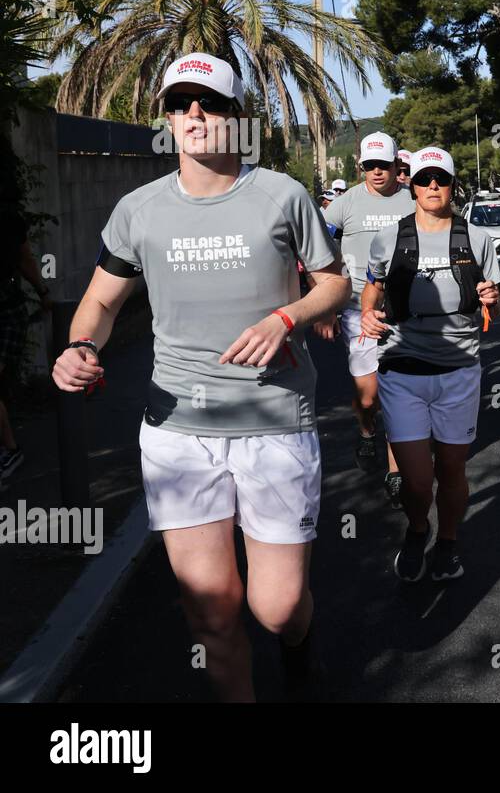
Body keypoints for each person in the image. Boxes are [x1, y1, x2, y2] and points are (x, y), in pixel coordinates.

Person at [51, 52, 350, 701]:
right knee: (212, 615)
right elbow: (100, 304)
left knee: (277, 606)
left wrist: (287, 316)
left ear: (235, 116)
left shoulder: (281, 196)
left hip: (273, 423)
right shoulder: (138, 210)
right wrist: (81, 346)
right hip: (177, 430)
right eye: (180, 102)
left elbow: (334, 283)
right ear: (166, 118)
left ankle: (299, 647)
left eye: (209, 102)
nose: (194, 113)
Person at [361, 146, 500, 582]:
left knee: (452, 469)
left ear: (452, 184)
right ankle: (419, 528)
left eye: (440, 178)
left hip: (459, 370)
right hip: (402, 369)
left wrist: (491, 302)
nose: (432, 186)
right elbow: (373, 289)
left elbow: (491, 309)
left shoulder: (477, 238)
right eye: (424, 180)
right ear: (412, 186)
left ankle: (448, 542)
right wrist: (367, 313)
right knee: (419, 480)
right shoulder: (389, 237)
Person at [321, 131, 414, 503]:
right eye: (369, 165)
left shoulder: (413, 200)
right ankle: (365, 433)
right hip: (360, 309)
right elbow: (317, 250)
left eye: (384, 165)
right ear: (362, 167)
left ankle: (396, 471)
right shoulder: (343, 205)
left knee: (398, 391)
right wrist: (325, 304)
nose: (377, 172)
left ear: (396, 166)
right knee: (368, 396)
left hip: (405, 311)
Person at [0, 190, 54, 486]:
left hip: (6, 311)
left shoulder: (8, 217)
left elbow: (25, 259)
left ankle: (11, 450)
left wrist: (43, 291)